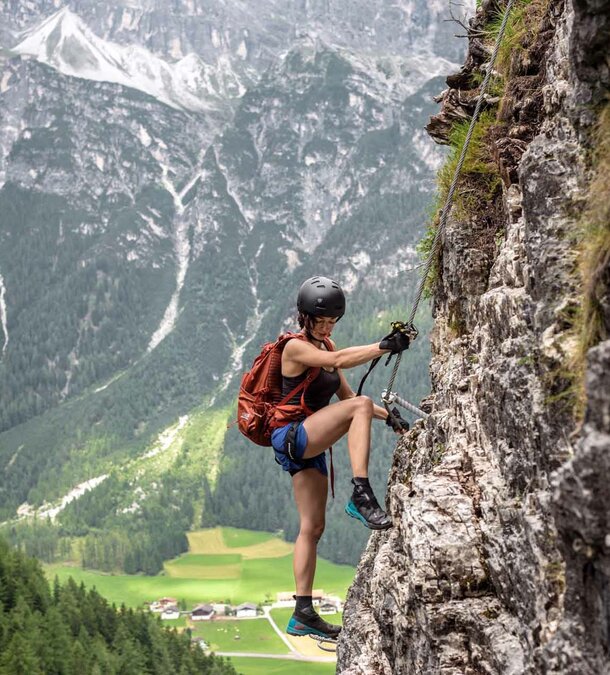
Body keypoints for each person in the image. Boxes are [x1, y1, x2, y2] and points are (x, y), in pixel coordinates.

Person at [271, 275, 410, 641]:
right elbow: (337, 362)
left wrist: (389, 417)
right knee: (362, 405)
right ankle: (360, 493)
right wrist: (383, 346)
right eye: (322, 320)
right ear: (305, 317)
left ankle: (302, 612)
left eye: (333, 321)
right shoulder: (295, 349)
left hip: (308, 439)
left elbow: (347, 400)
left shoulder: (326, 342)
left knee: (312, 528)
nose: (328, 326)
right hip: (294, 435)